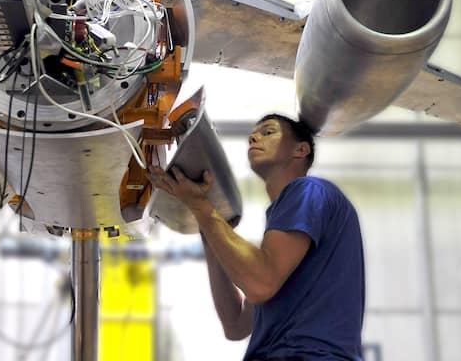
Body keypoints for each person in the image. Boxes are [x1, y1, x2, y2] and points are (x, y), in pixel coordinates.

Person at [147, 113, 365, 361]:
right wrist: (207, 226)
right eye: (254, 133)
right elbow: (236, 324)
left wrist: (202, 208)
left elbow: (261, 283)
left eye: (268, 132)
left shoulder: (309, 191)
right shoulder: (284, 236)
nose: (254, 136)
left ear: (300, 150)